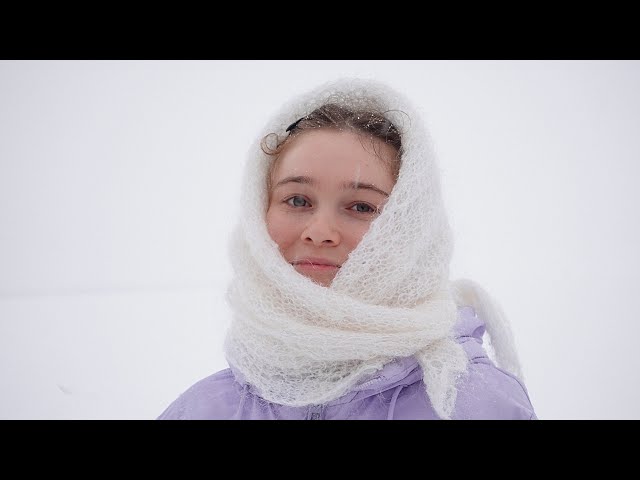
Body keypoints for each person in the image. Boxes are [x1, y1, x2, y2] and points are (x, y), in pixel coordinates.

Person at [158, 78, 537, 420]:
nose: (320, 232)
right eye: (297, 200)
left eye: (361, 207)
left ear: (409, 228)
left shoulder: (471, 403)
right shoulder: (205, 408)